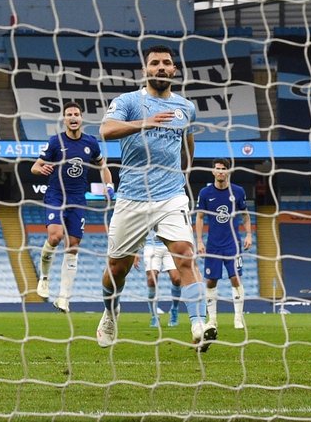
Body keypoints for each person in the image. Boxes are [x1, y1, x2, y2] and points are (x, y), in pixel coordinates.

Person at [97, 45, 215, 351]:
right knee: (116, 271)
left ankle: (199, 324)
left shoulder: (185, 108)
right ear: (145, 70)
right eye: (155, 63)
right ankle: (110, 312)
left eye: (166, 63)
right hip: (132, 197)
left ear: (174, 70)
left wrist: (180, 176)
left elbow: (188, 147)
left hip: (170, 195)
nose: (161, 67)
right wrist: (143, 123)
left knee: (184, 255)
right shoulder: (128, 102)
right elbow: (106, 130)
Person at [30, 101, 113, 313]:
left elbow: (102, 165)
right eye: (69, 114)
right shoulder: (55, 142)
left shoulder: (91, 142)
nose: (73, 117)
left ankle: (64, 297)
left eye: (76, 114)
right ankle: (45, 279)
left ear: (81, 117)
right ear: (64, 118)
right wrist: (43, 168)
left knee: (73, 245)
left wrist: (109, 186)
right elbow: (35, 167)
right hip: (56, 195)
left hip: (78, 199)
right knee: (55, 236)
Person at [195, 158, 253, 331]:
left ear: (228, 171)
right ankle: (212, 320)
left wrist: (249, 234)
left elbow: (245, 215)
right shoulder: (205, 193)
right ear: (213, 171)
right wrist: (199, 241)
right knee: (211, 281)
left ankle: (238, 319)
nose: (220, 172)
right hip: (213, 245)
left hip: (233, 244)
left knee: (235, 278)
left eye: (223, 169)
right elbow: (199, 217)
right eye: (217, 169)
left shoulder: (238, 191)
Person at [138, 230, 184, 328]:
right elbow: (140, 228)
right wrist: (136, 251)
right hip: (151, 246)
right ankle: (154, 315)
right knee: (151, 279)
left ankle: (174, 310)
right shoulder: (148, 214)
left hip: (170, 245)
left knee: (177, 279)